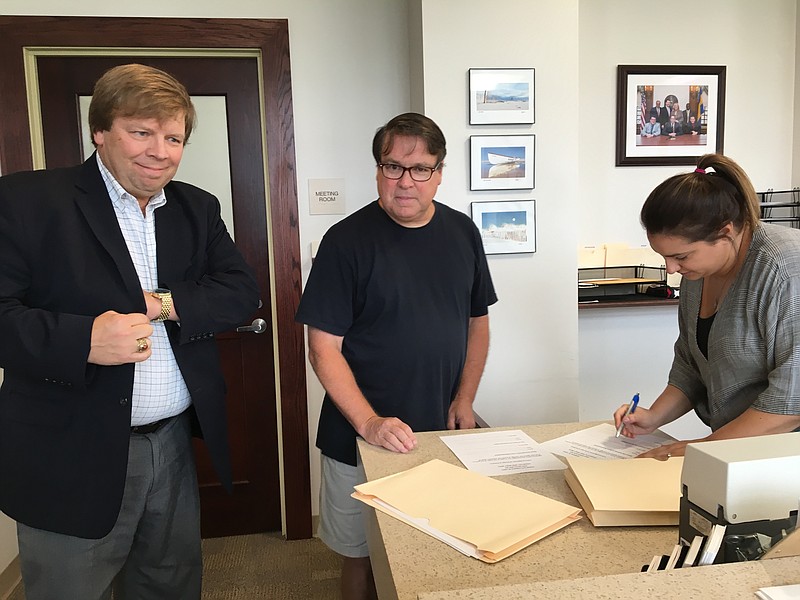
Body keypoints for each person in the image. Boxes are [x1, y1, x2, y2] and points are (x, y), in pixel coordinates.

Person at [0, 63, 260, 599]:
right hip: (70, 449)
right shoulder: (25, 202)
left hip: (171, 443)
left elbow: (240, 292)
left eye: (173, 137)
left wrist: (160, 303)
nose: (159, 151)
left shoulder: (196, 207)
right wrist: (84, 341)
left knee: (168, 583)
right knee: (71, 588)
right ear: (100, 130)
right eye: (141, 132)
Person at [295, 112, 497, 599]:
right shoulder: (344, 242)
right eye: (392, 167)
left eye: (420, 168)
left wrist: (466, 399)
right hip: (358, 437)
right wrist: (368, 423)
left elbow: (478, 322)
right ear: (378, 170)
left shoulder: (463, 232)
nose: (406, 181)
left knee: (441, 548)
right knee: (361, 558)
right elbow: (322, 348)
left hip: (441, 428)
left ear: (440, 172)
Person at [614, 154, 800, 459]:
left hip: (785, 456)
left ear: (726, 232)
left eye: (681, 256)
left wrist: (700, 449)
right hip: (735, 451)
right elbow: (692, 365)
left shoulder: (785, 268)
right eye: (664, 256)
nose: (671, 269)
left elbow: (791, 403)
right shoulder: (699, 273)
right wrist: (653, 416)